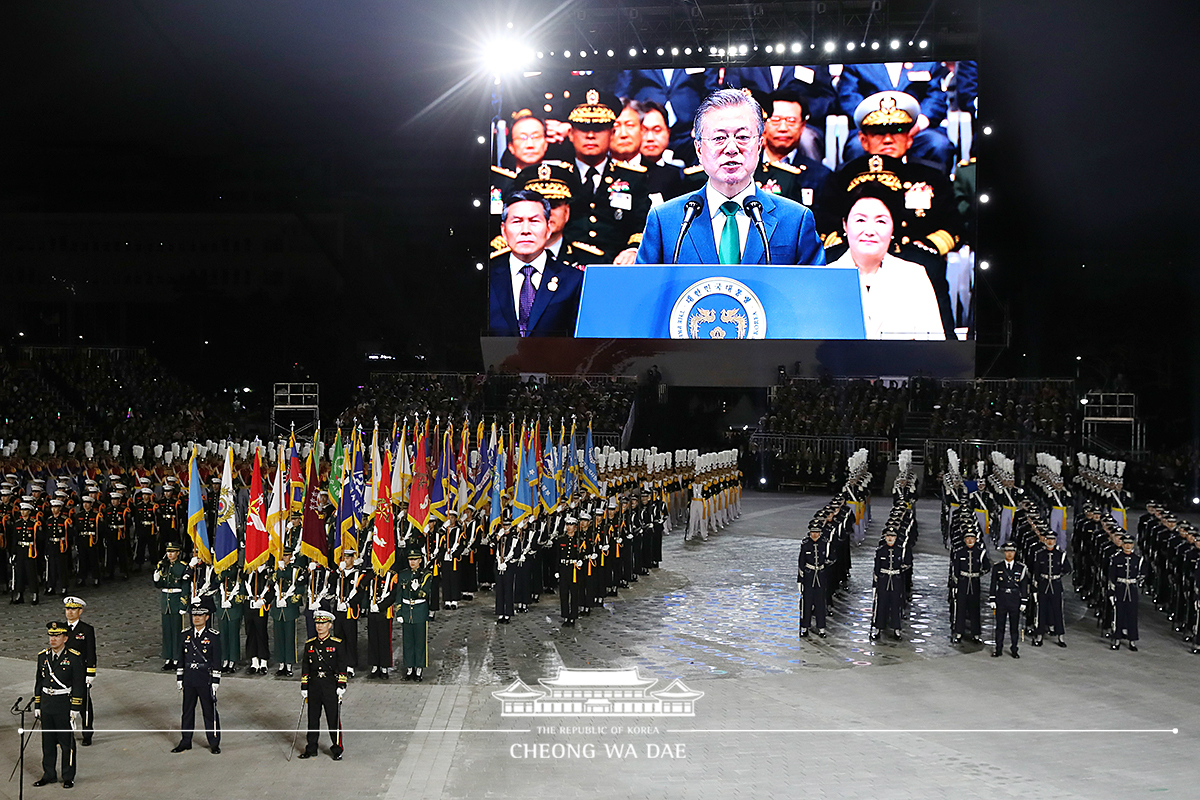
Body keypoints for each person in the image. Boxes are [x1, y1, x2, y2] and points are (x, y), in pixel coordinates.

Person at [820, 91, 961, 335]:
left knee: (930, 269)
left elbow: (954, 226)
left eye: (896, 131)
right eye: (878, 133)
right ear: (863, 140)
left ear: (910, 138)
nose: (888, 139)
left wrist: (926, 247)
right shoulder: (843, 176)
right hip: (853, 253)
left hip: (916, 254)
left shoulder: (932, 176)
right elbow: (825, 223)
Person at [635, 88, 825, 266]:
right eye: (719, 138)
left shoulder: (796, 220)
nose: (732, 148)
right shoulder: (664, 220)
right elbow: (643, 295)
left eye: (742, 137)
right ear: (699, 149)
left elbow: (815, 295)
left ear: (759, 145)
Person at [828, 183, 945, 339]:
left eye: (881, 222)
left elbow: (934, 348)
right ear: (845, 225)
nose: (869, 231)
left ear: (893, 228)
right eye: (860, 220)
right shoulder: (826, 276)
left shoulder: (915, 276)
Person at [561, 90, 651, 264]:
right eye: (583, 128)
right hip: (564, 266)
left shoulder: (632, 177)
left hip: (615, 266)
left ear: (612, 133)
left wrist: (632, 249)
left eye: (599, 128)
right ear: (571, 133)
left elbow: (641, 223)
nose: (590, 135)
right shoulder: (558, 178)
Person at [488, 189, 584, 337]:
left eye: (534, 221)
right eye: (517, 221)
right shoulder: (487, 278)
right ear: (503, 230)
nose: (525, 230)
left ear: (548, 229)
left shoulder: (574, 280)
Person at [837, 62, 955, 173]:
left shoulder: (928, 61)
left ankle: (933, 190)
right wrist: (873, 126)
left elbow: (936, 98)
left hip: (916, 130)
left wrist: (917, 124)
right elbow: (849, 98)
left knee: (939, 145)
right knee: (856, 147)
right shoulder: (857, 62)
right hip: (872, 131)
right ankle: (864, 192)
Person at [33, 621, 85, 788]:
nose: (53, 639)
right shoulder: (43, 656)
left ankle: (68, 775)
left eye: (57, 636)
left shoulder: (74, 657)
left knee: (66, 743)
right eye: (51, 635)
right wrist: (38, 705)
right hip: (48, 703)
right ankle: (49, 774)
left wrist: (75, 708)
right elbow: (39, 682)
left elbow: (78, 684)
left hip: (64, 704)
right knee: (47, 743)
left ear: (65, 638)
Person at [172, 604, 222, 754]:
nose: (196, 618)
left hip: (205, 678)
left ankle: (214, 742)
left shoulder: (213, 636)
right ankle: (185, 741)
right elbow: (181, 657)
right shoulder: (185, 634)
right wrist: (179, 677)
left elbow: (217, 659)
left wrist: (215, 680)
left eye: (200, 616)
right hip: (189, 678)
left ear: (206, 617)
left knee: (210, 711)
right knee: (187, 711)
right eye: (194, 616)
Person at [299, 609, 347, 760]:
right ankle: (311, 747)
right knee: (313, 718)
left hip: (330, 685)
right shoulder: (310, 645)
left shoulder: (336, 644)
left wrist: (341, 685)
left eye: (323, 623)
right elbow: (305, 666)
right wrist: (304, 686)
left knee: (333, 718)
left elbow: (342, 665)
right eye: (318, 623)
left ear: (330, 625)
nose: (320, 626)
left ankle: (337, 748)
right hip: (314, 686)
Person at [62, 596, 97, 746]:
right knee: (63, 703)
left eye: (73, 609)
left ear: (80, 611)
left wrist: (90, 673)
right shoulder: (61, 629)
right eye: (67, 609)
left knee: (84, 704)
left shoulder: (86, 630)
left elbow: (91, 652)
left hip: (80, 672)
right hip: (64, 671)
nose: (69, 612)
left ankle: (87, 732)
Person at [949, 527, 991, 643]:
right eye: (967, 538)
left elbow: (987, 566)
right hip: (963, 582)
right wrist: (956, 584)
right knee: (960, 609)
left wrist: (979, 573)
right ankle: (958, 632)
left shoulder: (980, 552)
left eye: (972, 538)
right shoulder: (959, 552)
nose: (970, 541)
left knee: (975, 609)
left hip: (975, 582)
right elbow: (955, 569)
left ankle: (976, 633)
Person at [989, 542, 1031, 658]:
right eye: (1007, 551)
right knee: (999, 626)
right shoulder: (998, 567)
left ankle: (1014, 649)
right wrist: (992, 598)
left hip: (1014, 598)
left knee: (1014, 626)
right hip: (1001, 598)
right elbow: (993, 584)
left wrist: (1024, 601)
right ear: (1004, 552)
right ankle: (998, 649)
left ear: (1015, 552)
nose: (1009, 554)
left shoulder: (1021, 568)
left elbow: (1024, 586)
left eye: (1011, 551)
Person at [396, 548, 432, 681]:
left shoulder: (426, 574)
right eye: (410, 560)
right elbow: (399, 594)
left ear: (420, 561)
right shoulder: (403, 574)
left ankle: (419, 669)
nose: (412, 562)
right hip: (406, 610)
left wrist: (417, 590)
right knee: (408, 642)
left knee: (420, 642)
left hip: (419, 610)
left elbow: (425, 593)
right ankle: (409, 668)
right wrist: (399, 611)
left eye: (415, 560)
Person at [153, 542, 191, 670]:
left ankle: (177, 658)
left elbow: (185, 587)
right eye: (168, 551)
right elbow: (160, 585)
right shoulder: (163, 565)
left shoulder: (182, 567)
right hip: (166, 601)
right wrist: (156, 579)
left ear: (178, 553)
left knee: (176, 631)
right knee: (167, 631)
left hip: (176, 600)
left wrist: (183, 604)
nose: (170, 554)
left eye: (173, 552)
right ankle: (168, 657)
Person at [1032, 531, 1071, 647]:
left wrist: (1058, 575)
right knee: (1041, 611)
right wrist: (1035, 586)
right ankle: (1039, 636)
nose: (1050, 542)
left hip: (1056, 585)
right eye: (1048, 539)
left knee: (1058, 611)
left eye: (1052, 539)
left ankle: (1060, 637)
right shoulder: (1040, 554)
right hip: (1043, 585)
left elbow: (1068, 569)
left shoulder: (1060, 554)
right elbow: (1036, 571)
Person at [1109, 534, 1148, 651]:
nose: (1127, 546)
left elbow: (1143, 573)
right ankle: (1116, 639)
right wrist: (1111, 592)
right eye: (1125, 543)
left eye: (1130, 544)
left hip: (1132, 588)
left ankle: (1132, 640)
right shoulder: (1116, 558)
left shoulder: (1138, 559)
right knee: (1118, 614)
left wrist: (1136, 582)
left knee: (1132, 615)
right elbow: (1111, 576)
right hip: (1120, 588)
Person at [872, 529, 906, 639]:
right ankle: (878, 628)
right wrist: (875, 582)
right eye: (888, 536)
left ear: (896, 537)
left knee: (896, 604)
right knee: (881, 604)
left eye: (892, 536)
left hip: (895, 579)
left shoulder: (900, 550)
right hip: (884, 579)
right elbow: (876, 568)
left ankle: (896, 629)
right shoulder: (881, 550)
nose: (890, 538)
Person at [797, 525, 829, 637]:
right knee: (807, 603)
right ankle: (805, 627)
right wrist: (800, 580)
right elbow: (801, 562)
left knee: (820, 603)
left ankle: (821, 628)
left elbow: (828, 559)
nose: (814, 535)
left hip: (820, 575)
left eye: (817, 532)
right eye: (812, 532)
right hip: (809, 576)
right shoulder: (806, 544)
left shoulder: (824, 543)